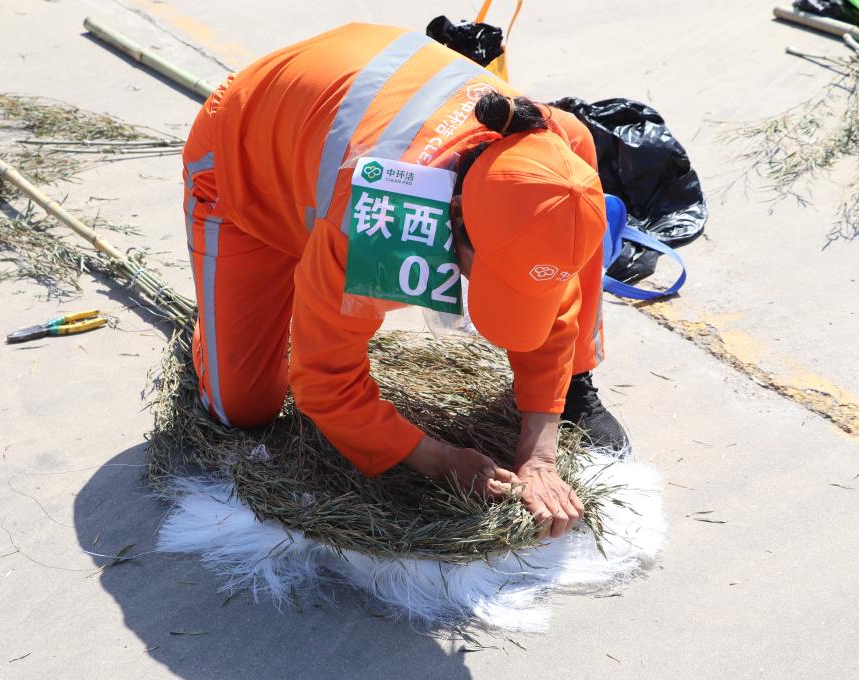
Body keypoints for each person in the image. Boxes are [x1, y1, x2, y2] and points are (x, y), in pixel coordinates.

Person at [181, 23, 628, 539]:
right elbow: (325, 381)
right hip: (241, 165)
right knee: (242, 407)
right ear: (452, 215)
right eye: (490, 276)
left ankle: (576, 380)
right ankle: (223, 316)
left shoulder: (556, 149)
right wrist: (438, 459)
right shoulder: (381, 214)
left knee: (572, 189)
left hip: (338, 116)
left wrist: (539, 453)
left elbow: (555, 294)